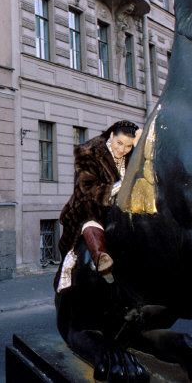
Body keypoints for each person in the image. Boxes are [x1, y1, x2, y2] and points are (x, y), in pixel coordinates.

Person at [56, 120, 140, 289]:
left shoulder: (132, 155)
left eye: (129, 146)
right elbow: (87, 189)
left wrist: (139, 147)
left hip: (121, 210)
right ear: (111, 136)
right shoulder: (88, 152)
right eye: (119, 143)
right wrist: (121, 186)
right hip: (88, 206)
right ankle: (102, 259)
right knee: (90, 220)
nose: (122, 150)